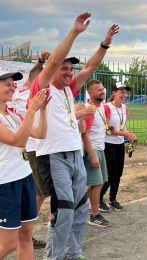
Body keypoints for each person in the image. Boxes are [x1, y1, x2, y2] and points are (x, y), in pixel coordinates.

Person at [30, 12, 119, 259]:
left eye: (71, 68)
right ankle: (54, 256)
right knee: (64, 209)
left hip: (74, 154)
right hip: (53, 155)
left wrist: (105, 43)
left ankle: (73, 253)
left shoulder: (70, 89)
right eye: (64, 68)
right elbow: (55, 59)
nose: (69, 72)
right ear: (53, 69)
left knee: (80, 208)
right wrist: (75, 32)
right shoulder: (44, 86)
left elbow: (92, 65)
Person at [0, 72, 49, 259]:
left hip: (24, 176)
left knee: (26, 233)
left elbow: (41, 133)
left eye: (14, 84)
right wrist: (30, 111)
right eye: (7, 84)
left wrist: (42, 110)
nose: (13, 87)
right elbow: (18, 141)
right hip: (6, 182)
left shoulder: (12, 114)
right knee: (8, 243)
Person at [11, 49, 50, 249]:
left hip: (27, 147)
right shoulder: (31, 94)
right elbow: (35, 77)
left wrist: (40, 61)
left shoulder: (19, 91)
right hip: (33, 148)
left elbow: (33, 75)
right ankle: (25, 231)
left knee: (36, 191)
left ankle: (23, 231)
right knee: (39, 192)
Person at [99, 83, 136, 212]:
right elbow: (107, 130)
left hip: (119, 143)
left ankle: (113, 199)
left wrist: (129, 133)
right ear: (114, 92)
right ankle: (98, 198)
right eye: (121, 92)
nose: (124, 95)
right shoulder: (107, 108)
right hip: (108, 144)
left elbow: (122, 126)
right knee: (110, 174)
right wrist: (124, 133)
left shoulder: (124, 108)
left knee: (118, 173)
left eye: (126, 92)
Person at [82, 80, 112, 227]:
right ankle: (94, 215)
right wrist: (92, 155)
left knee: (94, 184)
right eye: (98, 90)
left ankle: (81, 210)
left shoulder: (99, 108)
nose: (102, 92)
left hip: (99, 149)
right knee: (96, 183)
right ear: (90, 93)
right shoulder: (89, 109)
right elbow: (84, 134)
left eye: (102, 89)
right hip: (93, 150)